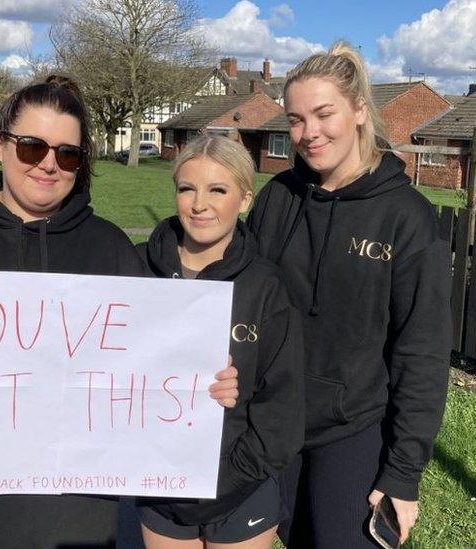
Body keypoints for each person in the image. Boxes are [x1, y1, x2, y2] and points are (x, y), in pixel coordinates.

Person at [0, 76, 240, 548]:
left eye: (68, 153)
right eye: (32, 147)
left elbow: (151, 367)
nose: (49, 165)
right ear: (0, 145)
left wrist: (203, 384)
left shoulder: (109, 248)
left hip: (75, 521)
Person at [246, 42, 452, 548]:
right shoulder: (279, 197)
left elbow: (421, 350)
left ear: (359, 110)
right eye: (295, 120)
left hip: (353, 430)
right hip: (273, 422)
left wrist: (403, 473)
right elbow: (238, 286)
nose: (308, 133)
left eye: (323, 114)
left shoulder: (405, 217)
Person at [131, 135, 305, 549]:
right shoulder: (135, 268)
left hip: (240, 484)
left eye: (218, 190)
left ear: (245, 199)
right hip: (162, 482)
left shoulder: (267, 286)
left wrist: (230, 476)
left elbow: (282, 408)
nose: (199, 204)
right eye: (186, 188)